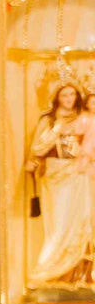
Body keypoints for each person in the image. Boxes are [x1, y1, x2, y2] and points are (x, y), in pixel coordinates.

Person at [30, 82, 95, 286]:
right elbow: (38, 148)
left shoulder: (84, 119)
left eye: (73, 95)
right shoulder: (48, 120)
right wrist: (57, 131)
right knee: (58, 224)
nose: (69, 99)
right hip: (55, 175)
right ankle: (50, 267)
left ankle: (76, 273)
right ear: (57, 97)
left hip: (77, 173)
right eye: (65, 95)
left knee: (81, 220)